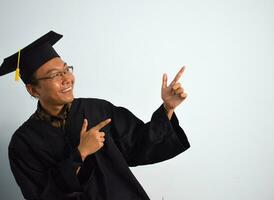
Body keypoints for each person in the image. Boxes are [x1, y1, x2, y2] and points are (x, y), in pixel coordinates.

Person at [0, 31, 190, 200]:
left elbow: (139, 145)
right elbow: (41, 194)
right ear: (33, 90)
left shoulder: (97, 110)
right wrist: (80, 154)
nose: (67, 78)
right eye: (55, 75)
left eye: (66, 69)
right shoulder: (23, 143)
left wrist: (167, 109)